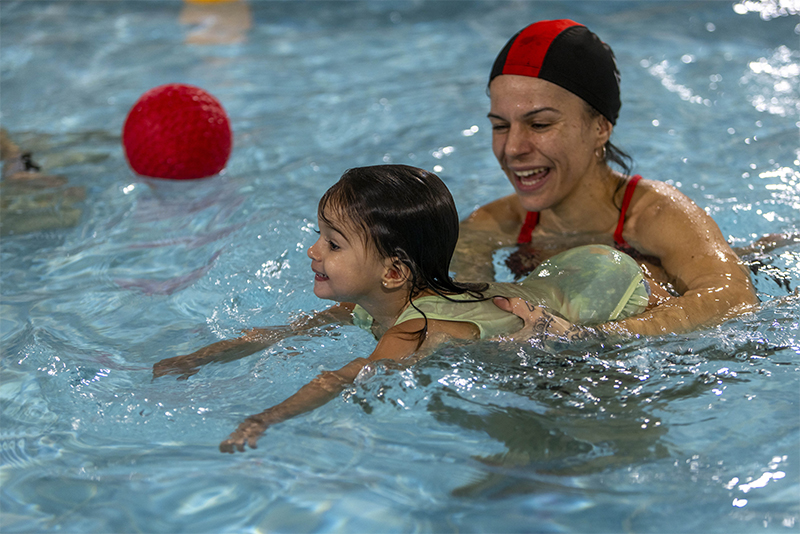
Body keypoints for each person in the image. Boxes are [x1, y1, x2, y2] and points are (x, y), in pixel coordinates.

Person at [152, 164, 652, 452]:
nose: (313, 252)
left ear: (393, 272)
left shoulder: (415, 327)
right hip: (559, 278)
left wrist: (264, 419)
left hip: (603, 283)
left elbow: (343, 376)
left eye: (333, 244)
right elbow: (287, 331)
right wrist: (199, 359)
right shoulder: (378, 301)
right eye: (320, 237)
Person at [451, 19, 759, 337]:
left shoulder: (656, 215)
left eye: (540, 124)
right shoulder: (488, 227)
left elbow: (734, 298)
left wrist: (596, 336)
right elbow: (462, 314)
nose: (513, 148)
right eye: (500, 126)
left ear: (600, 127)